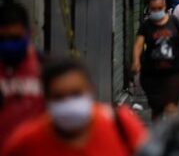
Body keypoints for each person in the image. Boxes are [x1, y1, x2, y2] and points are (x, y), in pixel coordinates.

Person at [3, 58, 147, 156]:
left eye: (76, 93)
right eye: (59, 97)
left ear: (91, 91)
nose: (68, 103)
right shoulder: (26, 142)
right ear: (45, 99)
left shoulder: (120, 125)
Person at [131, 0, 179, 120]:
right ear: (149, 8)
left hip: (174, 72)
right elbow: (138, 44)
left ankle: (172, 134)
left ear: (164, 6)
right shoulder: (146, 26)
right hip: (152, 74)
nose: (157, 11)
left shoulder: (174, 22)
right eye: (154, 9)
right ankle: (159, 134)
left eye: (160, 8)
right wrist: (136, 61)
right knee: (157, 109)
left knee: (171, 107)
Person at [0, 3, 44, 151]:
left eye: (15, 37)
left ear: (29, 33)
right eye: (2, 38)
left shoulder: (46, 68)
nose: (9, 44)